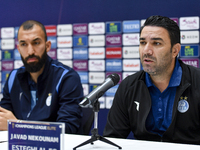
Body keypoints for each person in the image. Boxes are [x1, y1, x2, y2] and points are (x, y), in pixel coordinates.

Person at [103, 15, 200, 144]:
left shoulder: (197, 82)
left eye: (157, 43)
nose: (147, 51)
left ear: (175, 50)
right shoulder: (129, 86)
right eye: (143, 43)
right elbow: (112, 139)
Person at [0, 20, 83, 134]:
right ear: (19, 49)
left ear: (47, 46)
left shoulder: (66, 78)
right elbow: (2, 120)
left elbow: (67, 129)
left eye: (36, 43)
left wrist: (18, 126)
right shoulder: (13, 77)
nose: (30, 51)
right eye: (24, 44)